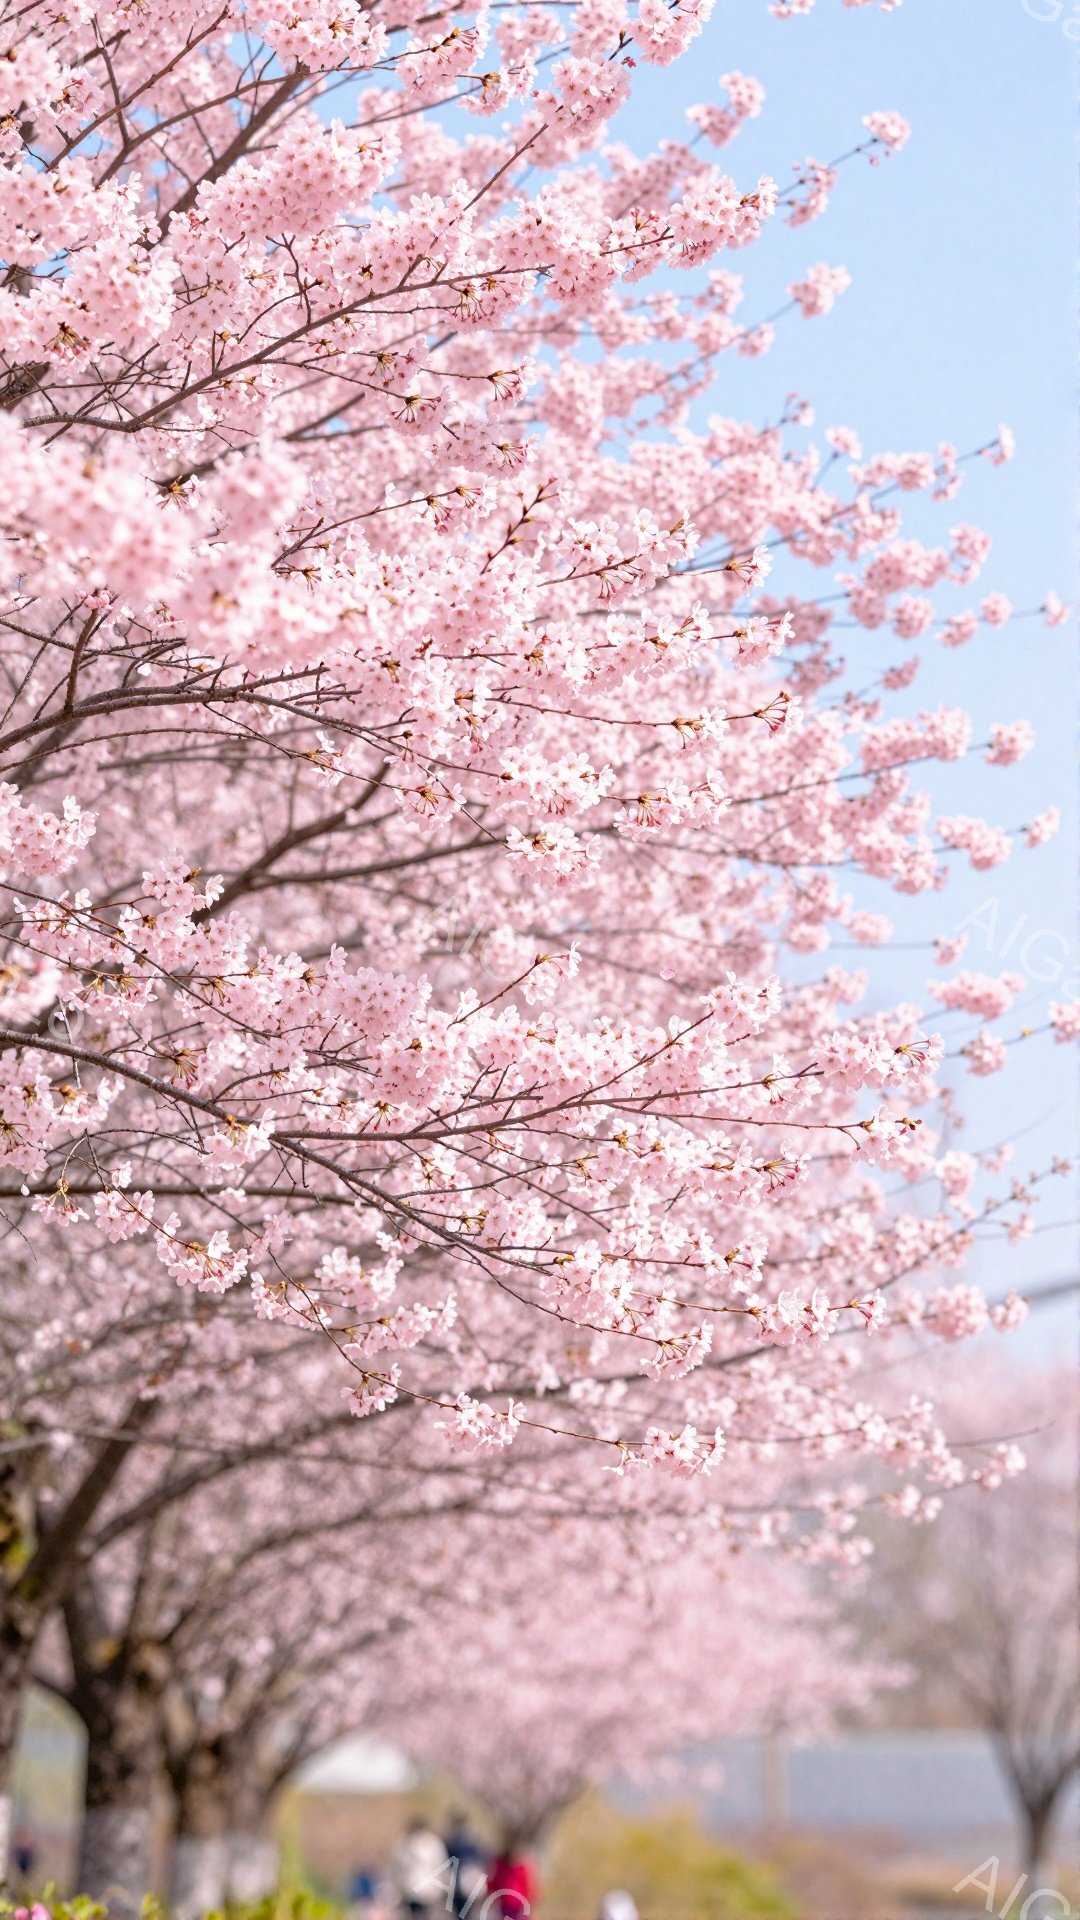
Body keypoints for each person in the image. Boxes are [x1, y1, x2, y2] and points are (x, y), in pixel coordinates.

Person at [389, 1818, 450, 1918]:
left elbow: (398, 1868)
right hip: (425, 1889)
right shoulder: (433, 1843)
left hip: (416, 1889)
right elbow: (442, 1865)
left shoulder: (407, 1843)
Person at [443, 1811, 487, 1919]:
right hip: (470, 1883)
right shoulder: (472, 1841)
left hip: (456, 1884)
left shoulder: (451, 1842)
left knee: (459, 1913)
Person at [484, 1833, 538, 1919]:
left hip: (519, 1908)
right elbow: (493, 1884)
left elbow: (529, 1889)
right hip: (503, 1907)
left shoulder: (523, 1868)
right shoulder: (500, 1865)